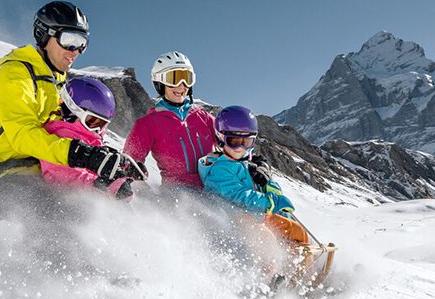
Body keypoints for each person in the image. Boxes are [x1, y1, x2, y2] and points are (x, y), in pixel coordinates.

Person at [0, 0, 143, 215]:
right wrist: (82, 154)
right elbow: (23, 135)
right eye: (69, 40)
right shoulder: (13, 74)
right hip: (9, 170)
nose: (75, 51)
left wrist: (110, 164)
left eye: (82, 43)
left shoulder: (55, 78)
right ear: (43, 35)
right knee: (61, 218)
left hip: (44, 167)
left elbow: (69, 129)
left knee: (92, 208)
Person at [123, 51, 216, 190]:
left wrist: (255, 162)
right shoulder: (148, 124)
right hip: (177, 195)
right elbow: (129, 163)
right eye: (174, 78)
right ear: (160, 82)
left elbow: (234, 142)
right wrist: (141, 192)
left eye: (186, 78)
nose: (181, 85)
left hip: (214, 189)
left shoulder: (203, 117)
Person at [40, 77, 136, 200]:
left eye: (102, 124)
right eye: (92, 121)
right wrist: (102, 185)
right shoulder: (60, 137)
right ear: (71, 110)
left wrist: (124, 171)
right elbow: (64, 175)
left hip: (85, 202)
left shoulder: (90, 139)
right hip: (62, 203)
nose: (97, 129)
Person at [197, 106, 296, 218]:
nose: (240, 147)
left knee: (294, 228)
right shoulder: (219, 169)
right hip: (235, 222)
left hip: (259, 214)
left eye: (246, 142)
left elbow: (266, 189)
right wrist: (270, 203)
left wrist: (268, 185)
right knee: (265, 233)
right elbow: (240, 196)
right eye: (233, 141)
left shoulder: (247, 163)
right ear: (220, 138)